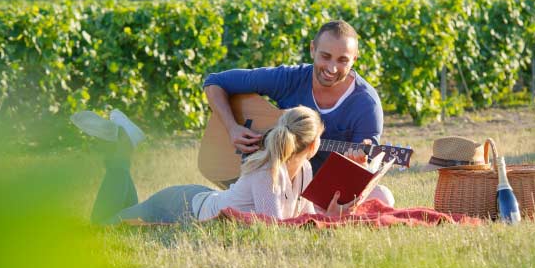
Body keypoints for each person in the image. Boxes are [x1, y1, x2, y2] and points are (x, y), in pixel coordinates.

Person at [203, 19, 394, 206]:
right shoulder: (289, 78)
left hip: (323, 188)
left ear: (354, 59)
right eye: (325, 56)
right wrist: (232, 128)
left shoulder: (366, 104)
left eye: (342, 60)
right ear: (312, 49)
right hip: (270, 179)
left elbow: (359, 178)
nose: (332, 68)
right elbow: (215, 82)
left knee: (383, 196)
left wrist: (358, 164)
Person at [71, 106, 355, 225]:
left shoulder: (303, 170)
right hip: (180, 205)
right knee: (100, 228)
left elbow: (300, 213)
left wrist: (325, 214)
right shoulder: (266, 170)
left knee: (120, 216)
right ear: (314, 145)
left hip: (197, 198)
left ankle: (122, 144)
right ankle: (120, 150)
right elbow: (274, 226)